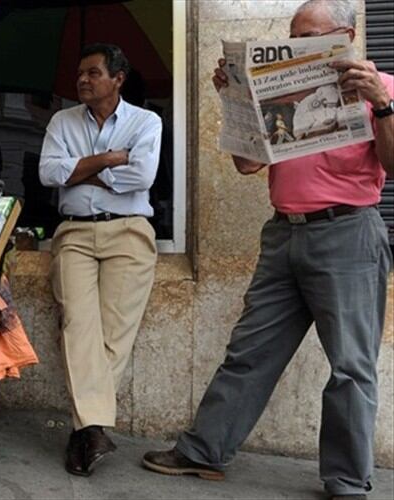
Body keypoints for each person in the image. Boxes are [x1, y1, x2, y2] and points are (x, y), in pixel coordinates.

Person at [142, 2, 393, 499]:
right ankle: (203, 451)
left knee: (350, 365)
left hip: (346, 234)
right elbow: (246, 166)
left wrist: (381, 104)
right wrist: (234, 99)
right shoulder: (282, 85)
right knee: (250, 350)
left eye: (309, 36)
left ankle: (345, 480)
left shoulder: (381, 85)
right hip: (283, 234)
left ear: (346, 34)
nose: (298, 44)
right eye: (293, 35)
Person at [38, 43, 162, 477]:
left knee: (114, 334)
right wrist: (110, 160)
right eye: (80, 74)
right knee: (77, 324)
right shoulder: (61, 121)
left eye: (93, 73)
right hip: (73, 232)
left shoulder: (147, 121)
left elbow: (142, 176)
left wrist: (84, 169)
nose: (83, 81)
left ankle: (83, 431)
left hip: (129, 231)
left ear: (118, 78)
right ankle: (92, 428)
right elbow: (49, 174)